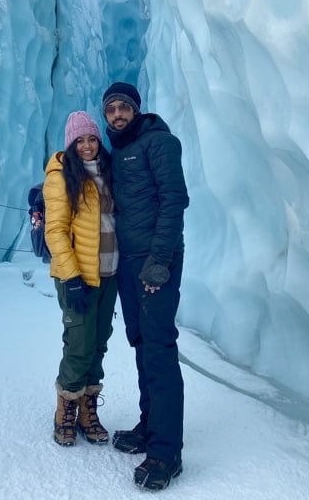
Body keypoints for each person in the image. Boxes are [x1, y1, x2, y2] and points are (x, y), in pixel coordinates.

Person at [102, 82, 189, 491]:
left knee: (158, 350)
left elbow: (174, 200)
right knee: (141, 343)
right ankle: (149, 426)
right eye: (111, 109)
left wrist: (159, 261)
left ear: (136, 110)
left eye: (123, 108)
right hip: (129, 265)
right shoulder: (120, 150)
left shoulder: (158, 142)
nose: (117, 115)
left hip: (155, 263)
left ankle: (167, 452)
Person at [43, 111, 118, 447]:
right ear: (70, 144)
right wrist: (72, 277)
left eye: (91, 139)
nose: (87, 146)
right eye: (80, 141)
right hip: (79, 276)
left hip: (109, 273)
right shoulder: (61, 175)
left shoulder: (108, 172)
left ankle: (88, 409)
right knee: (79, 344)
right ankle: (66, 410)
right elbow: (56, 230)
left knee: (99, 342)